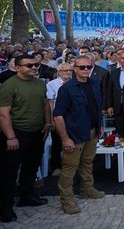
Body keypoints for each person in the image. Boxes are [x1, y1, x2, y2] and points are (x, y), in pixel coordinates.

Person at [0, 55, 50, 223]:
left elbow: (45, 104)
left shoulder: (40, 83)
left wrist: (48, 123)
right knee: (9, 172)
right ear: (18, 67)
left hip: (37, 132)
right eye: (29, 65)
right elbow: (3, 113)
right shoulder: (8, 86)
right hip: (17, 133)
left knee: (31, 166)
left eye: (36, 64)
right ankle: (5, 209)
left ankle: (27, 196)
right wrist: (10, 136)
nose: (34, 67)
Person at [52, 55, 105, 215]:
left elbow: (97, 107)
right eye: (82, 67)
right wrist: (65, 138)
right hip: (74, 134)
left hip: (92, 131)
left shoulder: (94, 84)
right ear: (75, 69)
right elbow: (58, 115)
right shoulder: (67, 89)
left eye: (88, 67)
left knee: (88, 162)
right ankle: (67, 201)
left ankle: (86, 189)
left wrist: (99, 126)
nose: (86, 70)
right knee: (69, 168)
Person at [46, 63, 73, 176]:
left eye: (69, 70)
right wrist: (52, 119)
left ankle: (71, 166)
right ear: (59, 72)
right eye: (64, 70)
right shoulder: (52, 84)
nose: (67, 73)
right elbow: (50, 103)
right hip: (58, 117)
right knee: (57, 142)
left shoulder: (75, 82)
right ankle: (56, 166)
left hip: (73, 117)